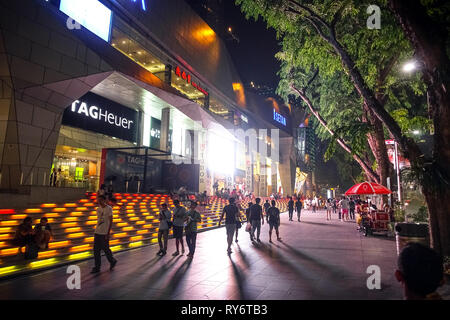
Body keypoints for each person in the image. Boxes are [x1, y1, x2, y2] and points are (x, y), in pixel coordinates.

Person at [91, 195, 117, 273]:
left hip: (104, 232)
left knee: (106, 249)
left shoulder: (109, 208)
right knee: (96, 250)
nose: (99, 202)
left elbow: (111, 221)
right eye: (98, 200)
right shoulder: (98, 209)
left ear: (104, 200)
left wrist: (108, 232)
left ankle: (112, 260)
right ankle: (97, 267)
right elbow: (99, 220)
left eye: (101, 200)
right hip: (97, 231)